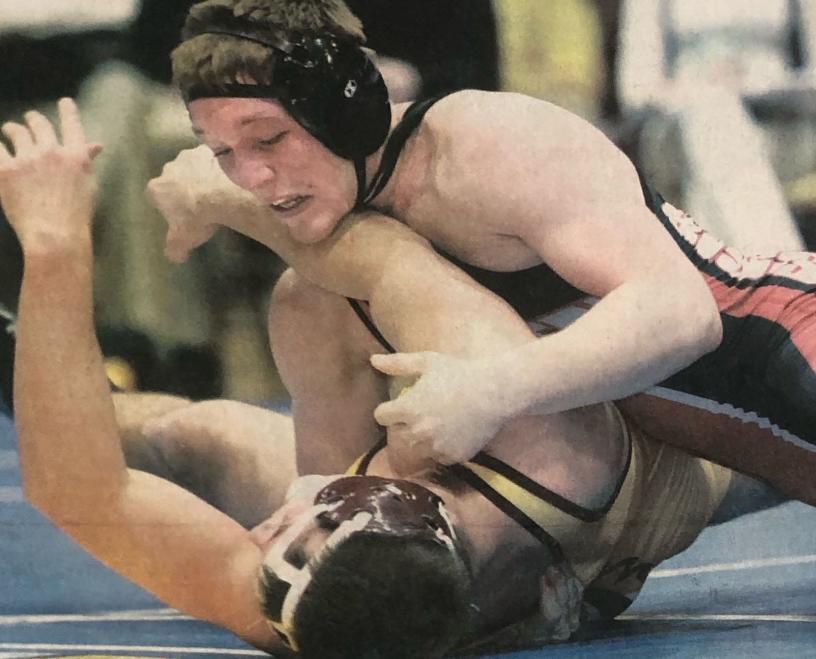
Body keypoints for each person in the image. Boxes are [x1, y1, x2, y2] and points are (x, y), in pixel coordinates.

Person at [1, 98, 747, 657]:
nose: (260, 527)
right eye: (288, 525)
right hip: (614, 479)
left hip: (560, 530)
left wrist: (55, 244)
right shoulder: (525, 425)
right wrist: (224, 198)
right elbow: (381, 256)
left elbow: (77, 486)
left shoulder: (304, 606)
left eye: (270, 540)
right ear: (387, 490)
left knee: (200, 434)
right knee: (742, 466)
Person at [157, 0, 816, 518]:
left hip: (799, 336)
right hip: (731, 441)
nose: (255, 177)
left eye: (269, 140)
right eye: (223, 151)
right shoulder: (331, 225)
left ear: (348, 105)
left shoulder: (487, 147)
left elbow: (684, 314)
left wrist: (493, 386)